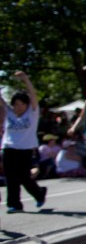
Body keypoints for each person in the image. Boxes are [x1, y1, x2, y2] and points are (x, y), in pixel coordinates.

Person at [1, 71, 47, 212]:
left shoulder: (32, 113)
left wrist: (25, 79)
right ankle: (14, 204)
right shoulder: (9, 113)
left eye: (21, 104)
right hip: (9, 148)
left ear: (27, 104)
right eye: (15, 104)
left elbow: (33, 95)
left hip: (25, 150)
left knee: (24, 177)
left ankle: (39, 193)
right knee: (11, 178)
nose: (18, 107)